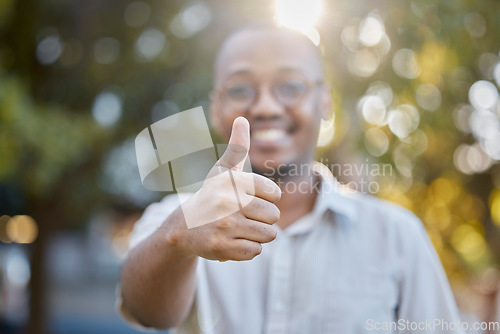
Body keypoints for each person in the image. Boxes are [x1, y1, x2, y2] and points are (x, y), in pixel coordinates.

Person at [117, 23, 463, 333]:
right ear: (216, 108)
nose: (266, 107)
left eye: (291, 86)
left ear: (325, 101)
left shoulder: (398, 236)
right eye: (240, 89)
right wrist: (180, 234)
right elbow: (146, 311)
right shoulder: (174, 220)